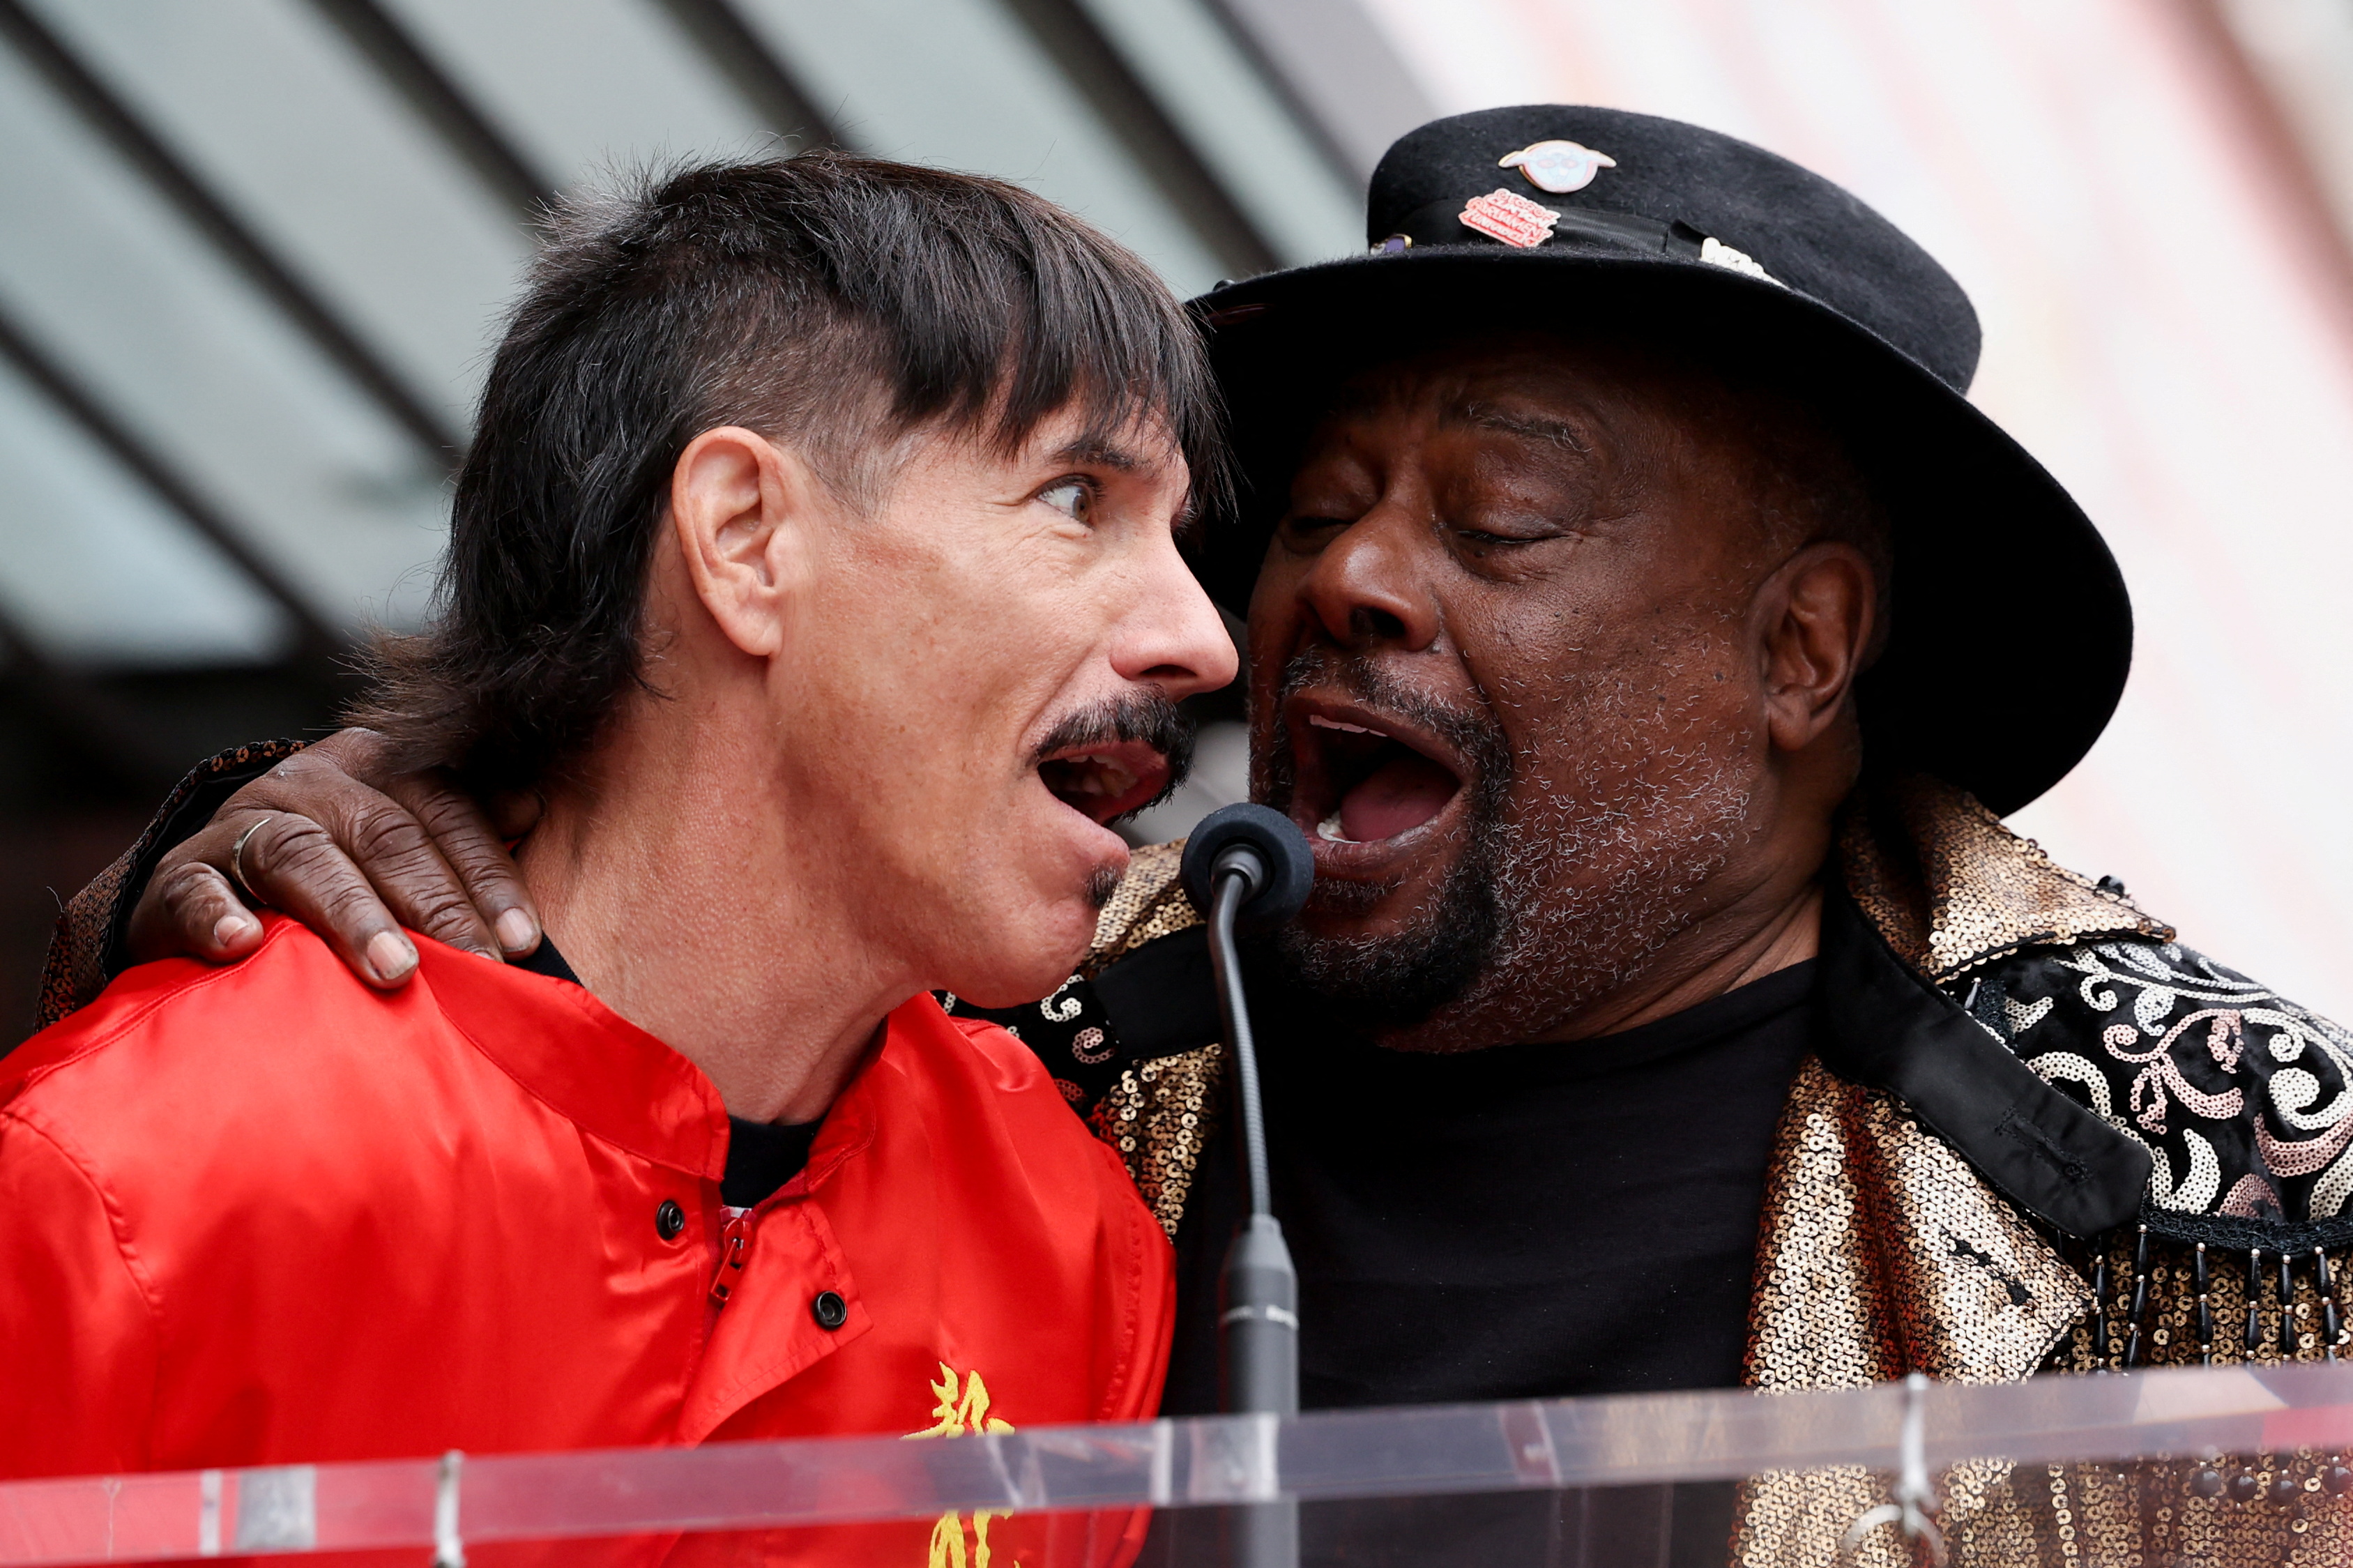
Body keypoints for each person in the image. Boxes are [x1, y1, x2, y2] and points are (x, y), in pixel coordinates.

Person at [44, 110, 2353, 1567]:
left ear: (1800, 651)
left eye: (1500, 516)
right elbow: (668, 944)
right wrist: (384, 817)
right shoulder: (1042, 1032)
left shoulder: (2208, 1175)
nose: (1318, 586)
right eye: (1313, 507)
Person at [0, 152, 1241, 1568]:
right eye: (1077, 499)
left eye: (1177, 537)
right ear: (744, 538)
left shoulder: (1071, 1244)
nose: (1199, 640)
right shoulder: (137, 1179)